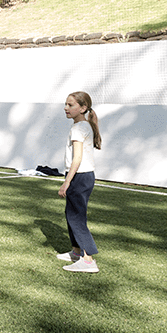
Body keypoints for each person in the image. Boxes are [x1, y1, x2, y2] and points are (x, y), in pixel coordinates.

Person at [57, 91, 102, 273]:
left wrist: (67, 182)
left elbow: (77, 159)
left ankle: (88, 260)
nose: (66, 108)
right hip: (84, 176)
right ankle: (76, 252)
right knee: (71, 214)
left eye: (71, 105)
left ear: (83, 108)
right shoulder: (84, 126)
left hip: (80, 176)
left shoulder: (78, 128)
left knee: (76, 218)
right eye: (66, 104)